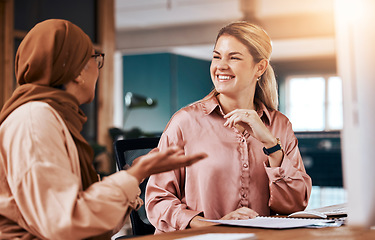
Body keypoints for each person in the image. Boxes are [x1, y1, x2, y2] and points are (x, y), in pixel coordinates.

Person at [0, 19, 207, 240]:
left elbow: (94, 223)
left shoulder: (53, 117)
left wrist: (132, 176)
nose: (98, 69)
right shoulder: (35, 120)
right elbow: (64, 224)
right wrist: (136, 174)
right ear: (78, 71)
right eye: (95, 59)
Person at [145, 21, 312, 233]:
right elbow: (157, 200)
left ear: (259, 67)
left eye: (233, 57)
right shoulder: (185, 122)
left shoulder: (280, 125)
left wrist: (271, 144)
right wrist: (211, 225)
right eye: (217, 56)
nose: (221, 65)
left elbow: (296, 205)